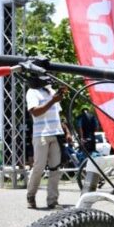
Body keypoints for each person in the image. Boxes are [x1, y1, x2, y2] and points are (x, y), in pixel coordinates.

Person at [25, 75, 69, 209]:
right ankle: (31, 195)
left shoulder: (50, 90)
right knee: (39, 167)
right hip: (41, 135)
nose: (47, 79)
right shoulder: (32, 92)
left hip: (56, 134)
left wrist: (67, 131)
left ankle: (52, 200)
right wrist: (53, 101)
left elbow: (58, 114)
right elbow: (35, 112)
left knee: (55, 168)